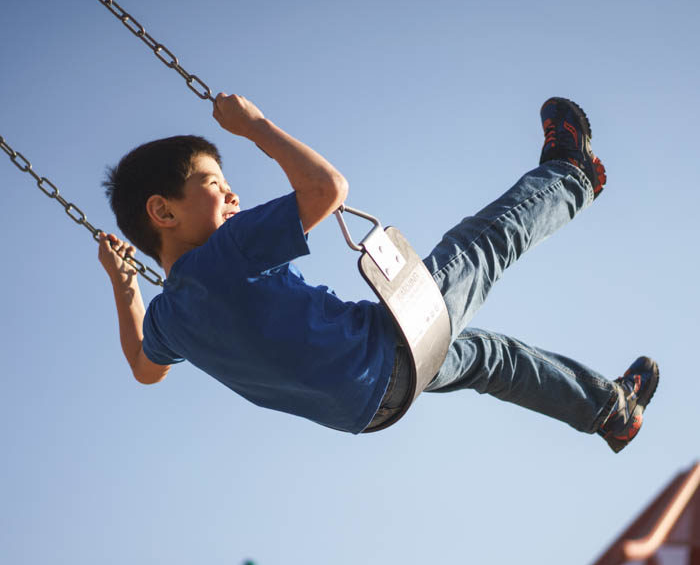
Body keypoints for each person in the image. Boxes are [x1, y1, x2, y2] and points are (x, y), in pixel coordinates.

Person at [98, 95, 658, 453]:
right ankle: (571, 176)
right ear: (163, 211)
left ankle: (610, 410)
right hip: (382, 353)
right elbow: (326, 190)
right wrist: (256, 126)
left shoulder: (169, 316)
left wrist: (126, 290)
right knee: (479, 248)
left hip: (369, 406)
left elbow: (145, 368)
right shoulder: (224, 255)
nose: (231, 192)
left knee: (492, 359)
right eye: (213, 183)